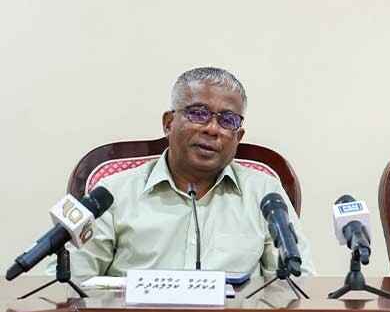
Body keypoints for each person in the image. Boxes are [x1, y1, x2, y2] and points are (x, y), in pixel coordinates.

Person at [49, 67, 315, 277]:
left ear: (238, 136)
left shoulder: (264, 194)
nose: (212, 129)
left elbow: (296, 285)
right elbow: (69, 284)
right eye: (198, 113)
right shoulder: (114, 193)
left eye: (228, 120)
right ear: (168, 123)